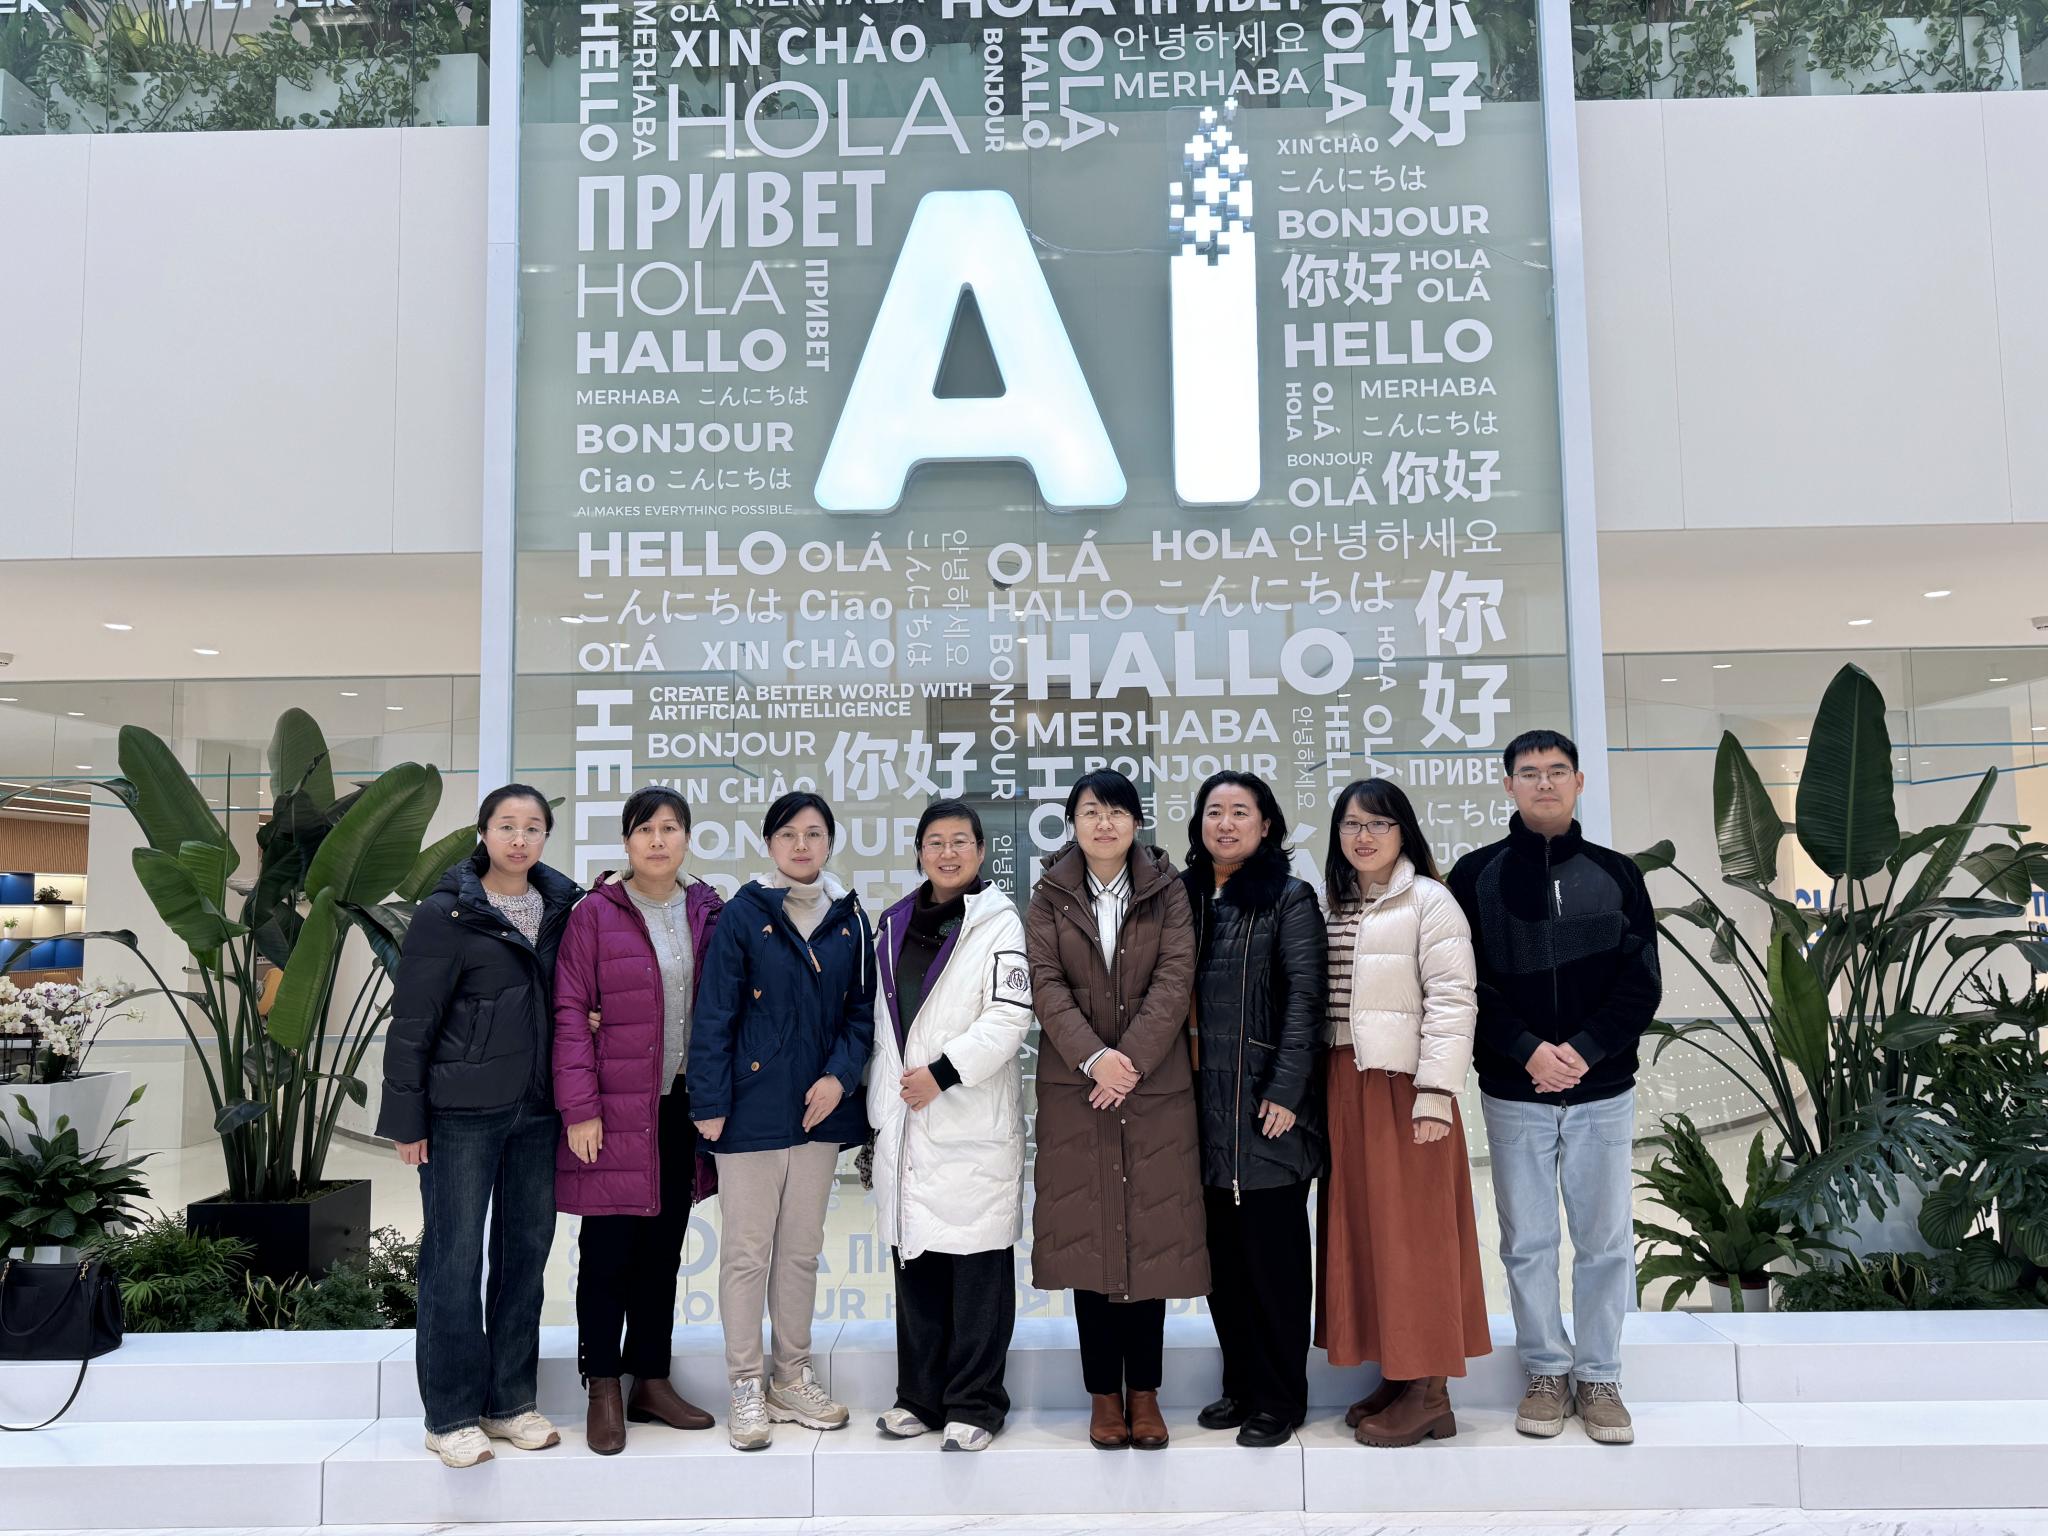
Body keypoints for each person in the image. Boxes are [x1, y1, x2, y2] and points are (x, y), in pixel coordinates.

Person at [1447, 729, 1661, 1447]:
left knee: (1604, 1241)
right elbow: (1465, 983)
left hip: (1603, 1090)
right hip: (1515, 1090)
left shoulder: (1617, 874)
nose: (1544, 783)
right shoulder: (1475, 875)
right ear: (1507, 784)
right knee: (1529, 1241)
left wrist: (1585, 1051)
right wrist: (1529, 1051)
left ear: (1578, 783)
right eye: (1530, 772)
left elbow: (1642, 982)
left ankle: (1599, 1376)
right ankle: (1544, 1370)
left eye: (1557, 771)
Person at [377, 785, 582, 1469]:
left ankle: (510, 1401)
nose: (519, 839)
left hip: (538, 1111)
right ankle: (450, 1414)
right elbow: (412, 1022)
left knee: (524, 1257)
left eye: (533, 827)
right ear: (483, 832)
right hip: (461, 1114)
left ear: (545, 837)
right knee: (454, 1260)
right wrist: (407, 1116)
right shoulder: (446, 913)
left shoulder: (563, 910)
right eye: (506, 826)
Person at [687, 791, 875, 1451]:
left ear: (829, 843)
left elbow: (861, 1013)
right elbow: (714, 1012)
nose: (802, 845)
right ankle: (745, 1383)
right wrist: (709, 1104)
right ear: (770, 844)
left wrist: (840, 1077)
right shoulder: (745, 914)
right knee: (746, 1253)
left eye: (814, 834)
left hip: (819, 1111)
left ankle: (790, 1377)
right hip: (749, 1111)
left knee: (799, 1252)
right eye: (789, 834)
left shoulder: (850, 919)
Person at [1027, 767, 1205, 1452]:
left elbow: (1175, 978)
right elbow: (1045, 983)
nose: (1104, 824)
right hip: (1078, 1090)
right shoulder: (1048, 894)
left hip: (1152, 1088)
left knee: (1152, 1236)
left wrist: (1127, 1061)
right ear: (1073, 823)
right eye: (1091, 812)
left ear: (1136, 822)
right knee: (1088, 1236)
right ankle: (1103, 1394)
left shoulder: (1167, 890)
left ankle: (1146, 1394)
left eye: (1117, 812)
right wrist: (1094, 1059)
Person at [1317, 777, 1491, 1448]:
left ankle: (1431, 1393)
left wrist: (1436, 1092)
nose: (1363, 836)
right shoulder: (1334, 902)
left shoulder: (1429, 901)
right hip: (1343, 1083)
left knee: (1415, 1236)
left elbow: (1453, 1001)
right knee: (1366, 1232)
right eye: (1351, 824)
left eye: (1378, 824)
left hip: (1404, 1088)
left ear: (1403, 832)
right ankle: (1398, 1370)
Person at [551, 786, 723, 1454]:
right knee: (607, 1252)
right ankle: (603, 1386)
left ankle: (651, 1379)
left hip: (681, 1107)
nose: (658, 840)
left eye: (670, 828)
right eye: (645, 829)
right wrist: (580, 1108)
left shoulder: (707, 910)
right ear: (626, 842)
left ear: (687, 838)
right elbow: (571, 1011)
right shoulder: (596, 914)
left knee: (663, 1249)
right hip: (615, 1107)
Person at [868, 800, 1033, 1453]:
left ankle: (976, 1403)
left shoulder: (998, 922)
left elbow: (1009, 1017)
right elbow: (880, 1025)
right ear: (919, 852)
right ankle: (920, 1397)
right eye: (935, 841)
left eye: (960, 841)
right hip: (906, 1118)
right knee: (917, 1261)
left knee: (976, 1267)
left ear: (980, 852)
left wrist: (943, 1072)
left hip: (966, 1113)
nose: (947, 852)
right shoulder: (892, 923)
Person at [1182, 771, 1327, 1449]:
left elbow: (1306, 1000)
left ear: (1266, 826)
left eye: (1241, 812)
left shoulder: (1288, 899)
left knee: (1274, 1265)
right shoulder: (1184, 899)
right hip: (1199, 1112)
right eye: (1215, 811)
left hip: (1268, 1110)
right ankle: (1240, 1384)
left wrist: (1286, 1090)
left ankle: (1280, 1396)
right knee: (1224, 1265)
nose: (1226, 823)